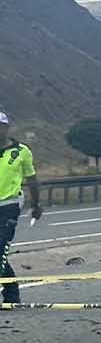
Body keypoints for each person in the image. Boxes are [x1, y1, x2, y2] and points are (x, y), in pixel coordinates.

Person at [1, 111, 44, 306]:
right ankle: (12, 292)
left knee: (1, 246)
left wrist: (36, 204)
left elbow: (32, 179)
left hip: (9, 205)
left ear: (6, 128)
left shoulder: (21, 151)